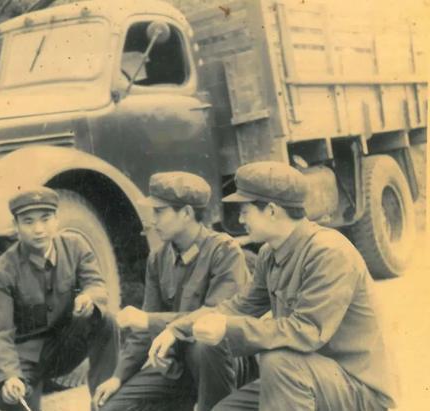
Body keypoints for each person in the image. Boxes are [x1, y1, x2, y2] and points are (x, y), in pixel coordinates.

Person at [164, 161, 399, 411]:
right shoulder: (269, 253)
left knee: (278, 359)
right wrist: (177, 328)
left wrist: (228, 328)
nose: (241, 219)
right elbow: (238, 306)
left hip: (357, 389)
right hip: (301, 377)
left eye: (245, 211)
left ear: (272, 210)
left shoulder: (329, 253)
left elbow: (306, 331)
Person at [94, 172, 253, 411]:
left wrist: (153, 322)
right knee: (111, 406)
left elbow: (218, 313)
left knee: (206, 344)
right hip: (179, 364)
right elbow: (143, 330)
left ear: (186, 213)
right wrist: (118, 376)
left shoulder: (224, 251)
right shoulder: (158, 258)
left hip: (221, 363)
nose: (152, 220)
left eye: (159, 211)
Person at [0, 187, 119, 411]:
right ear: (16, 226)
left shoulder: (75, 246)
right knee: (4, 395)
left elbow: (96, 284)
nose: (39, 229)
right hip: (26, 358)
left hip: (67, 345)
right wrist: (9, 376)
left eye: (45, 219)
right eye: (28, 222)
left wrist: (89, 298)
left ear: (56, 220)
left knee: (105, 321)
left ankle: (107, 404)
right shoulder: (1, 272)